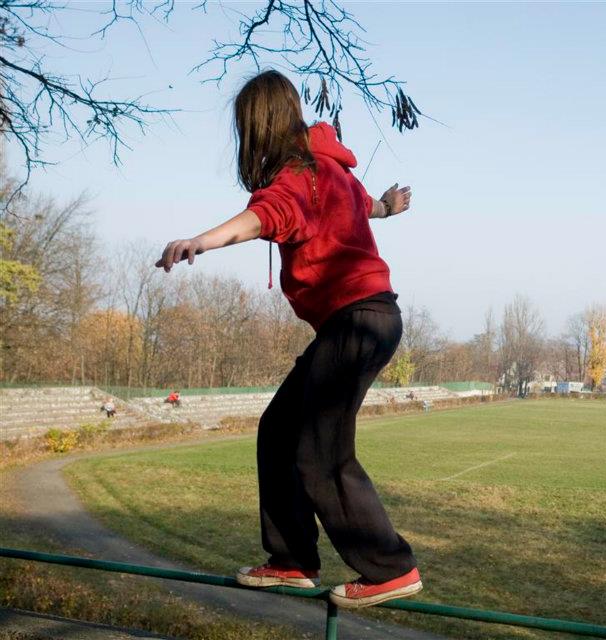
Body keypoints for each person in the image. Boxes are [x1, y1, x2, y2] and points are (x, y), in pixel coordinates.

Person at [155, 70, 420, 609]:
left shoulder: (298, 177)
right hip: (366, 321)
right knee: (279, 431)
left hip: (357, 320)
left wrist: (199, 242)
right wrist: (389, 206)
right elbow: (365, 207)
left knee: (320, 452)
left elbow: (262, 218)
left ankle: (390, 568)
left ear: (258, 127)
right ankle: (291, 562)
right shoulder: (333, 173)